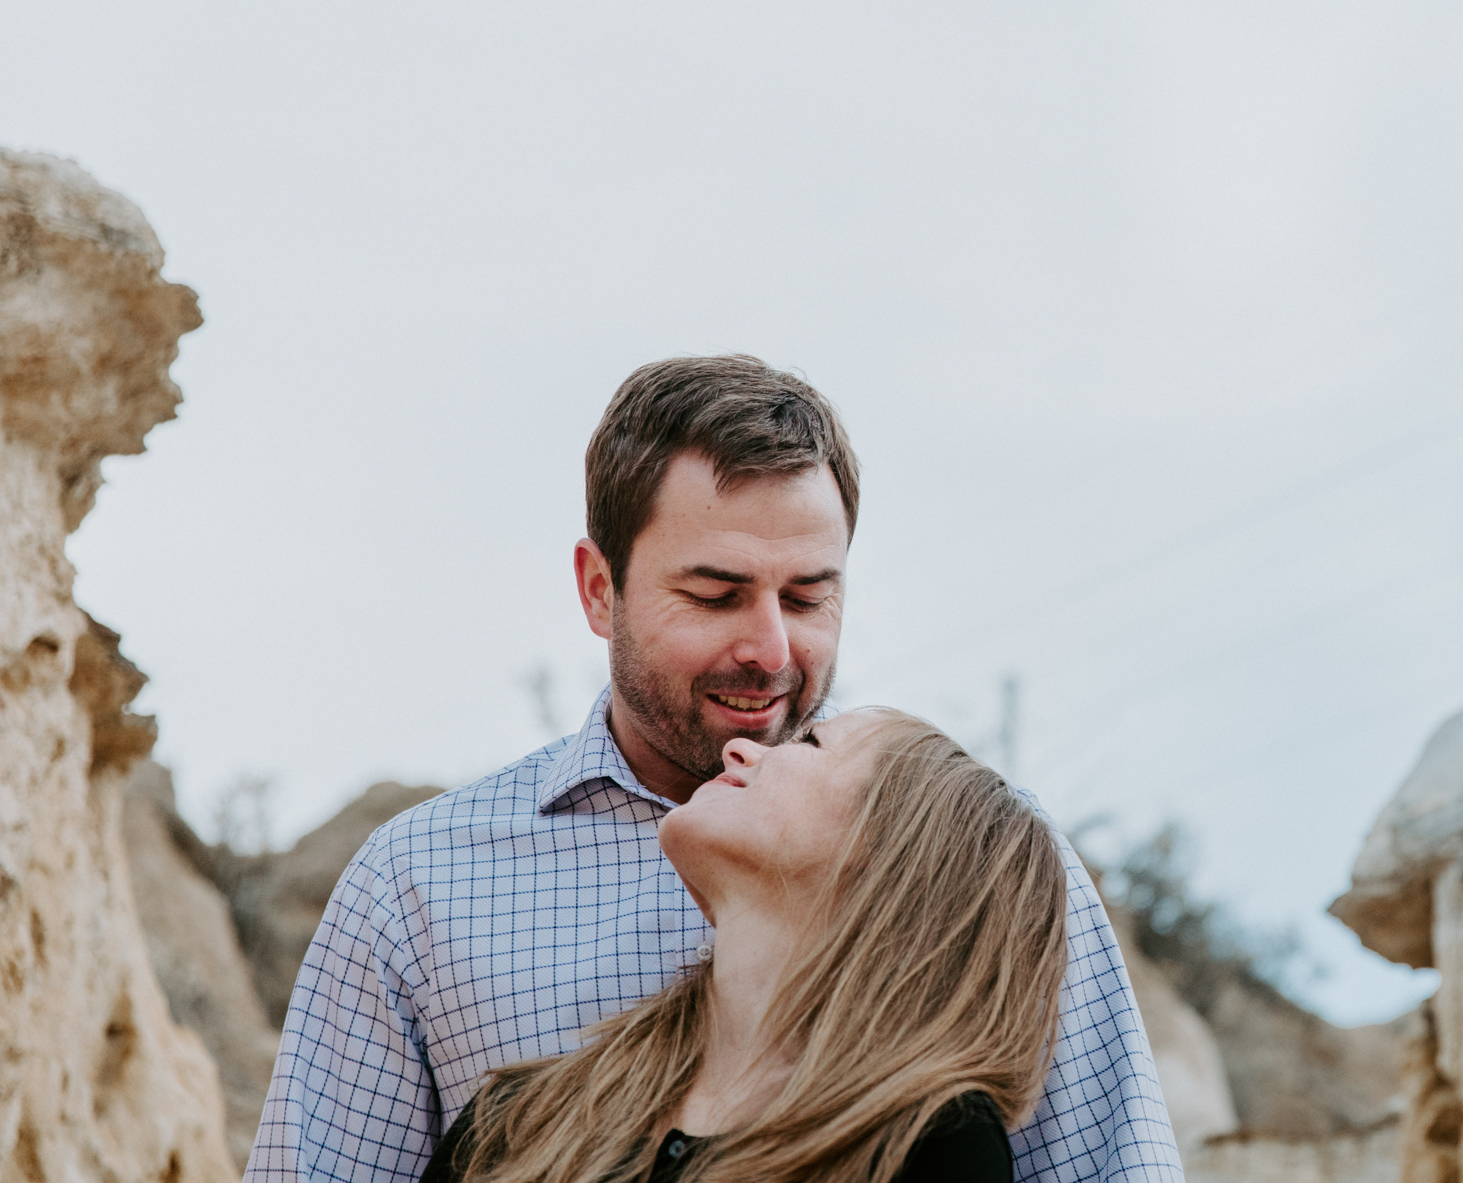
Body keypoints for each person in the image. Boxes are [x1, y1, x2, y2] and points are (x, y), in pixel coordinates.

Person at [246, 357, 1181, 1183]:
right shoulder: (420, 884)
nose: (769, 649)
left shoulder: (973, 861)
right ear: (599, 590)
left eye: (809, 595)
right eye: (715, 594)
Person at [423, 711, 1062, 1183]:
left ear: (898, 851)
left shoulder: (936, 1148)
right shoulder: (514, 1120)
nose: (738, 749)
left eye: (809, 742)